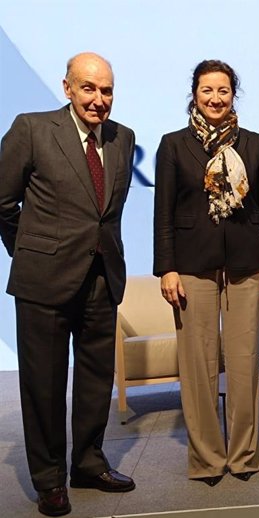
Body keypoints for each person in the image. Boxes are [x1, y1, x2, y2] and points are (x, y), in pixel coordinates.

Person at [0, 52, 136, 517]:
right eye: (89, 89)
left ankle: (89, 463)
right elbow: (2, 201)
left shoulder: (123, 137)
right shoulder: (32, 128)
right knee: (44, 385)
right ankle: (49, 479)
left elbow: (106, 212)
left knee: (97, 380)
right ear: (67, 88)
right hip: (44, 282)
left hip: (102, 278)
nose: (99, 100)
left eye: (107, 90)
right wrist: (33, 251)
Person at [154, 59, 259, 485]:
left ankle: (244, 454)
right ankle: (208, 458)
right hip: (191, 267)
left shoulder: (254, 143)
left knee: (244, 364)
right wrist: (166, 269)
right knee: (198, 366)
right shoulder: (173, 145)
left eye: (223, 90)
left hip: (247, 266)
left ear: (233, 95)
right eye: (207, 90)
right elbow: (164, 215)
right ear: (194, 94)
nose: (215, 98)